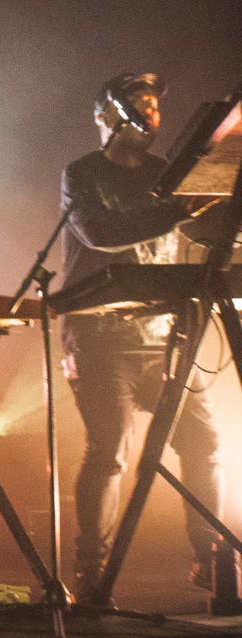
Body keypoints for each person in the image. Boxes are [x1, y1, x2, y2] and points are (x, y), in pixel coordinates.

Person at [60, 71, 224, 603]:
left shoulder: (166, 174)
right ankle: (91, 573)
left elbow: (206, 231)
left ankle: (212, 562)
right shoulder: (82, 173)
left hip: (164, 336)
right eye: (137, 103)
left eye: (155, 104)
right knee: (110, 448)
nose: (150, 113)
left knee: (203, 442)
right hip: (99, 335)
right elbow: (99, 233)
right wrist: (177, 209)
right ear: (105, 116)